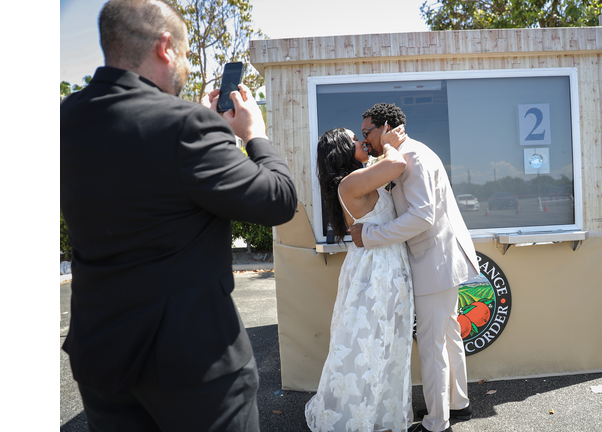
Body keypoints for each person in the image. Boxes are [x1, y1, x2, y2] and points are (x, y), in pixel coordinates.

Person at [60, 1, 297, 431]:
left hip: (101, 356)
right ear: (166, 47)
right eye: (187, 55)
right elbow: (278, 200)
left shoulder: (66, 118)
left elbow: (149, 177)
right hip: (192, 367)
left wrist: (210, 132)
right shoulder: (185, 127)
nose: (187, 66)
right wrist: (254, 135)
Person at [349, 103, 481, 432]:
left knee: (434, 343)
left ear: (386, 127)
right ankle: (456, 403)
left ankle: (437, 422)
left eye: (367, 132)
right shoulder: (403, 154)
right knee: (447, 335)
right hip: (438, 259)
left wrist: (370, 235)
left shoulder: (413, 157)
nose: (365, 140)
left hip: (434, 262)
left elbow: (422, 217)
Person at [305, 126, 413, 432]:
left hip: (387, 263)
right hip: (374, 269)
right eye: (354, 139)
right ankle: (354, 417)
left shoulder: (361, 175)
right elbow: (397, 165)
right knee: (367, 343)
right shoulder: (350, 182)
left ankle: (379, 414)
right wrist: (390, 143)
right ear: (341, 148)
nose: (361, 141)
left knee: (387, 343)